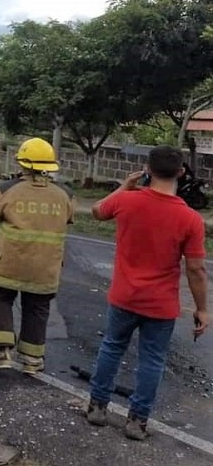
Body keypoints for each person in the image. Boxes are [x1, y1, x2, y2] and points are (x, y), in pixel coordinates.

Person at [85, 145, 208, 440]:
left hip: (124, 296)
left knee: (112, 347)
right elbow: (195, 270)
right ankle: (137, 422)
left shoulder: (127, 201)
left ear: (148, 170)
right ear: (180, 172)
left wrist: (124, 186)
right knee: (152, 360)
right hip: (161, 304)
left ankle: (97, 407)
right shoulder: (191, 219)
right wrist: (202, 308)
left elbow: (97, 211)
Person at [0, 138, 75, 374]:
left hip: (9, 263)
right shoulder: (65, 194)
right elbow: (69, 218)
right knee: (37, 308)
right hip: (45, 268)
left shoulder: (6, 189)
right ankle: (32, 359)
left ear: (22, 164)